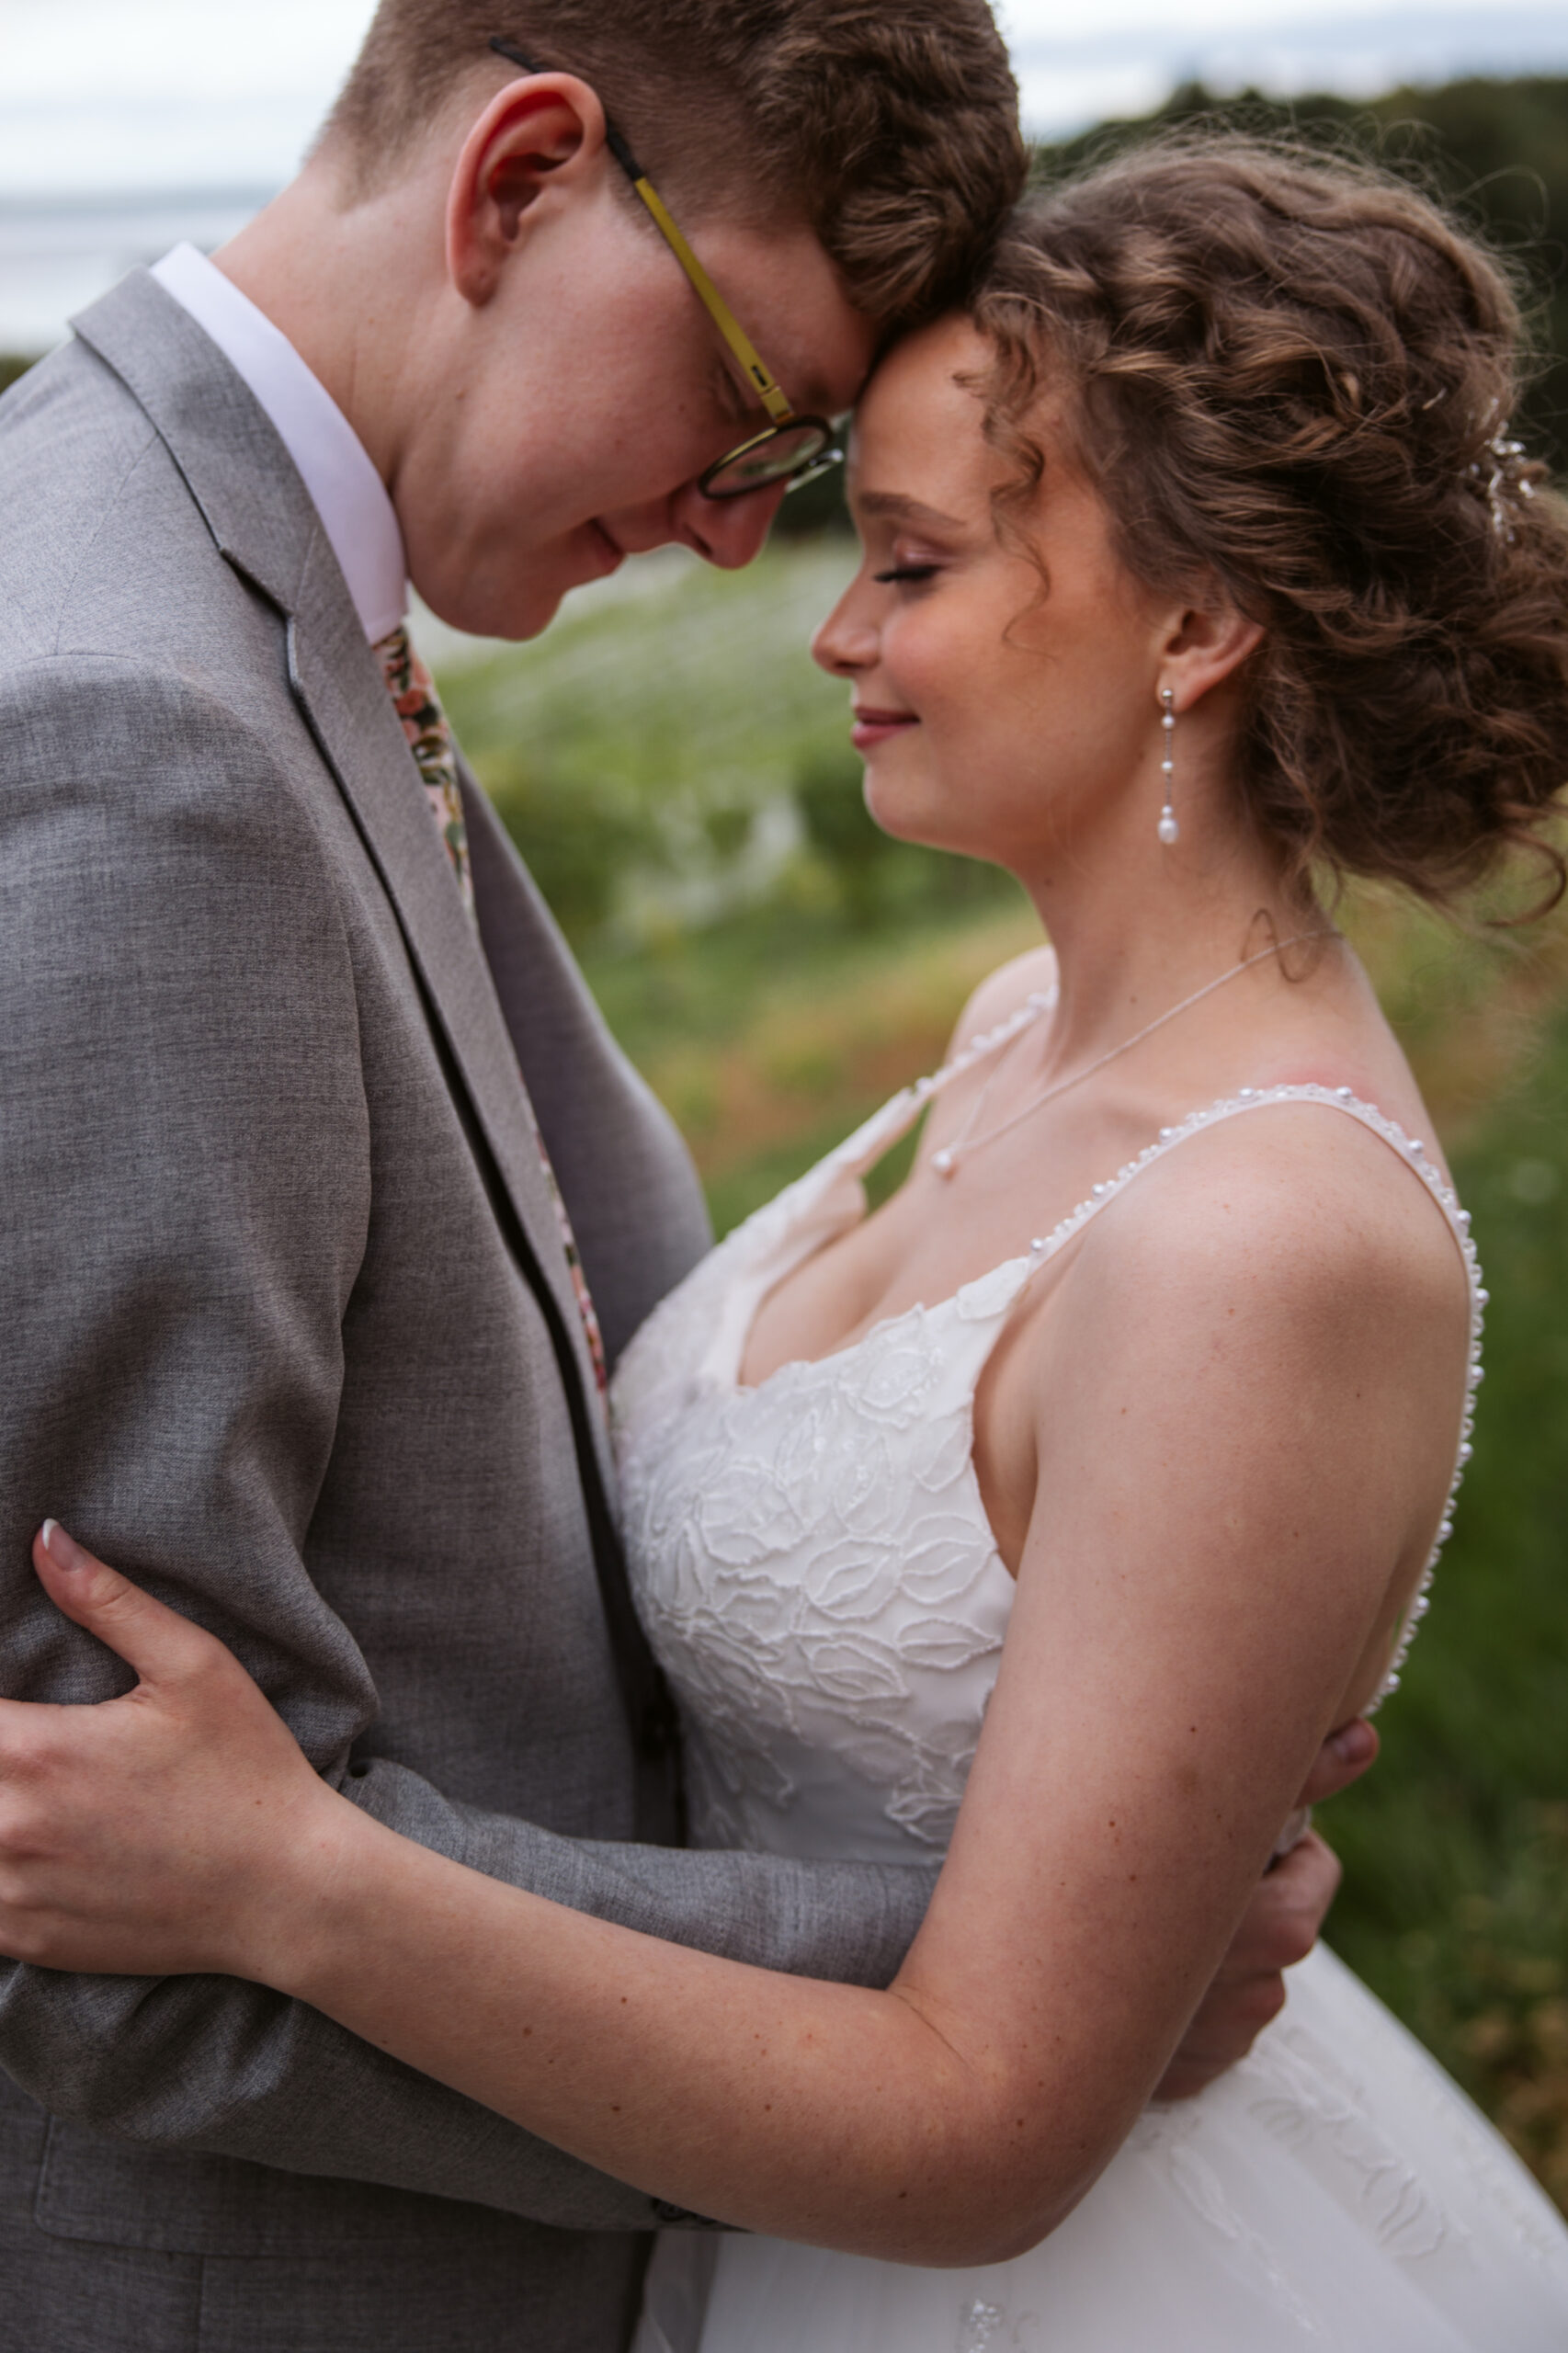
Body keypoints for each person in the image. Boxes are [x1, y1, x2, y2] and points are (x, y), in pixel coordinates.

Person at [6, 133, 1568, 2350]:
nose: (833, 617)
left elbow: (988, 2122)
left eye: (913, 560)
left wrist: (303, 1880)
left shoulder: (1264, 1247)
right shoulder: (1016, 1024)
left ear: (1200, 628)